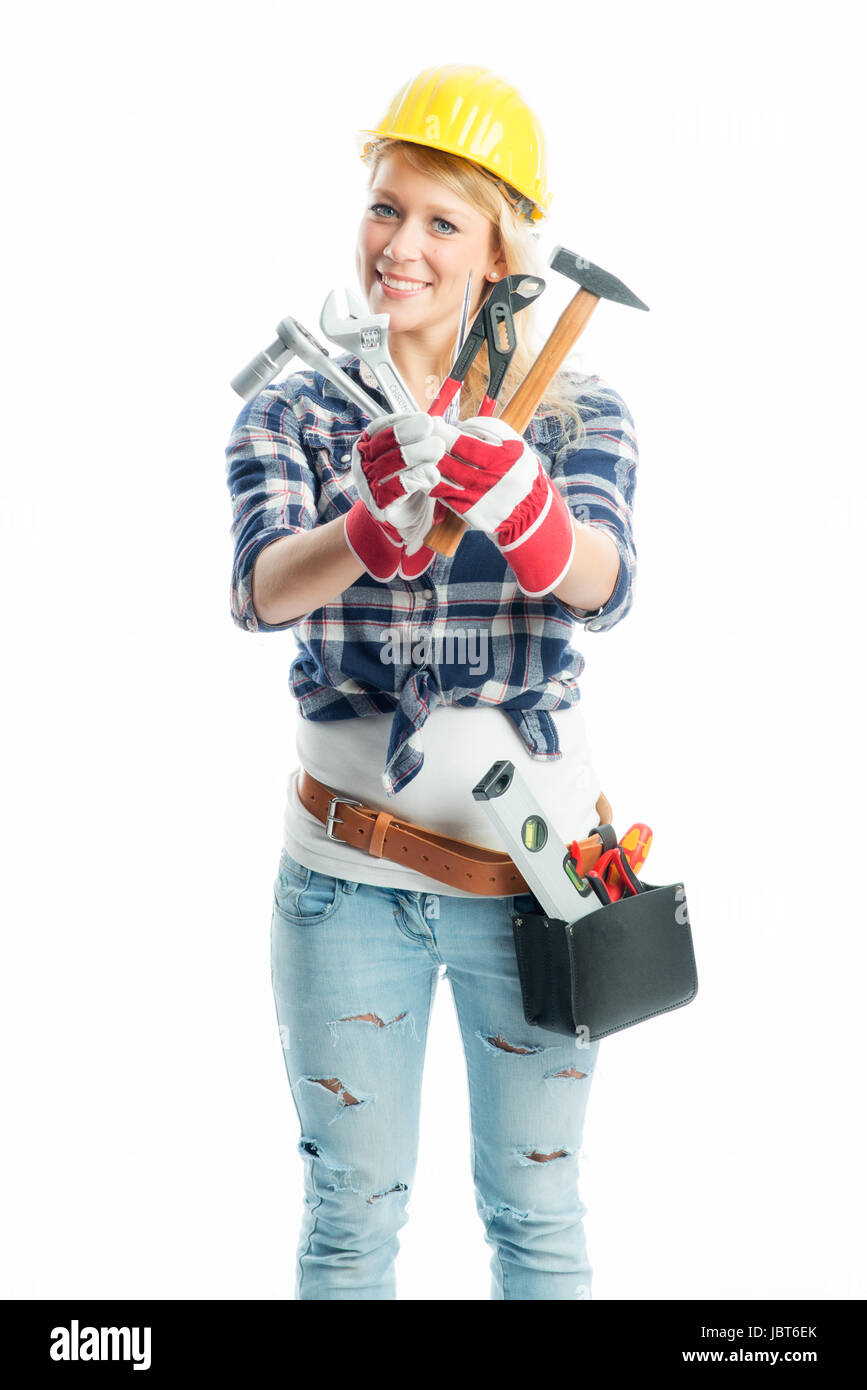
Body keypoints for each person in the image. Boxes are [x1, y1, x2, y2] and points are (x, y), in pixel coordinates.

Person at [224, 64, 639, 1301]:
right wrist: (365, 530)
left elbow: (607, 587)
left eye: (440, 220)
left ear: (505, 252)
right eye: (383, 206)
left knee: (540, 1215)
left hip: (547, 880)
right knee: (351, 1223)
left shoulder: (580, 414)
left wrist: (530, 513)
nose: (399, 245)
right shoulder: (297, 410)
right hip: (347, 879)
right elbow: (257, 589)